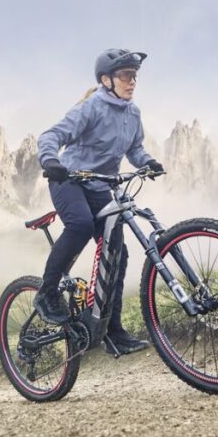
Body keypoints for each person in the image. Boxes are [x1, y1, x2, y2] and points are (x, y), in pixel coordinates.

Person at [34, 48, 164, 355]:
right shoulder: (91, 108)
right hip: (69, 179)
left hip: (101, 186)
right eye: (125, 76)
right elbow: (51, 135)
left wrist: (148, 162)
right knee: (79, 225)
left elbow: (135, 148)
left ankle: (112, 330)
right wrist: (51, 159)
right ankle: (46, 293)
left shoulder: (133, 113)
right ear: (106, 80)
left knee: (116, 254)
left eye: (134, 76)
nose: (132, 81)